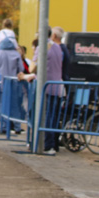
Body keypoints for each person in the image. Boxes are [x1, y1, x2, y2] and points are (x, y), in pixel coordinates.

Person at [19, 27, 67, 155]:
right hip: (57, 87)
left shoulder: (42, 47)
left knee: (43, 116)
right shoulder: (57, 47)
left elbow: (32, 68)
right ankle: (51, 144)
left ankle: (44, 144)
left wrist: (27, 74)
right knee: (52, 117)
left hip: (45, 87)